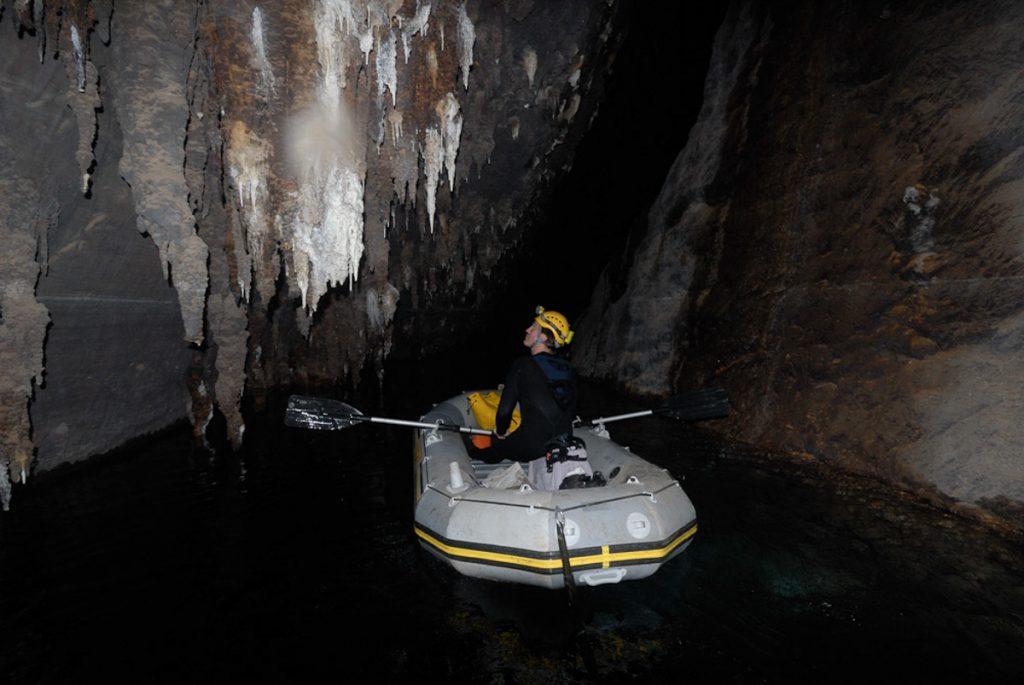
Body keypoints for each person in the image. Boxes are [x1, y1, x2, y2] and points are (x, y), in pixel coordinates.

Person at [478, 306, 577, 464]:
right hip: (563, 440)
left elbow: (504, 413)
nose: (527, 329)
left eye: (534, 327)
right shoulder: (568, 368)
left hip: (533, 447)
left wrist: (501, 433)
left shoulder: (523, 365)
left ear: (543, 337)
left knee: (494, 443)